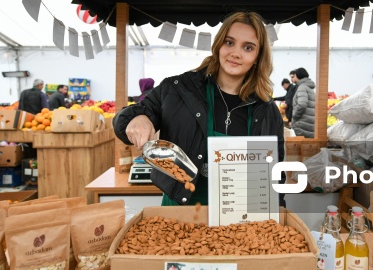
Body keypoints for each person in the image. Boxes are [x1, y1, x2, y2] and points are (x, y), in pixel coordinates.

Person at [114, 11, 285, 206]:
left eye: (248, 47)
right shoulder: (178, 89)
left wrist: (276, 216)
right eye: (229, 43)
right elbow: (124, 119)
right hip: (180, 210)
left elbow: (275, 177)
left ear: (257, 57)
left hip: (239, 215)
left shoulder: (267, 111)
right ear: (218, 45)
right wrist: (138, 118)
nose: (236, 53)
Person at [292, 67, 316, 138]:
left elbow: (302, 104)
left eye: (295, 76)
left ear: (298, 76)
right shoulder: (309, 88)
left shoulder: (302, 87)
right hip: (309, 123)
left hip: (302, 124)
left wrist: (295, 116)